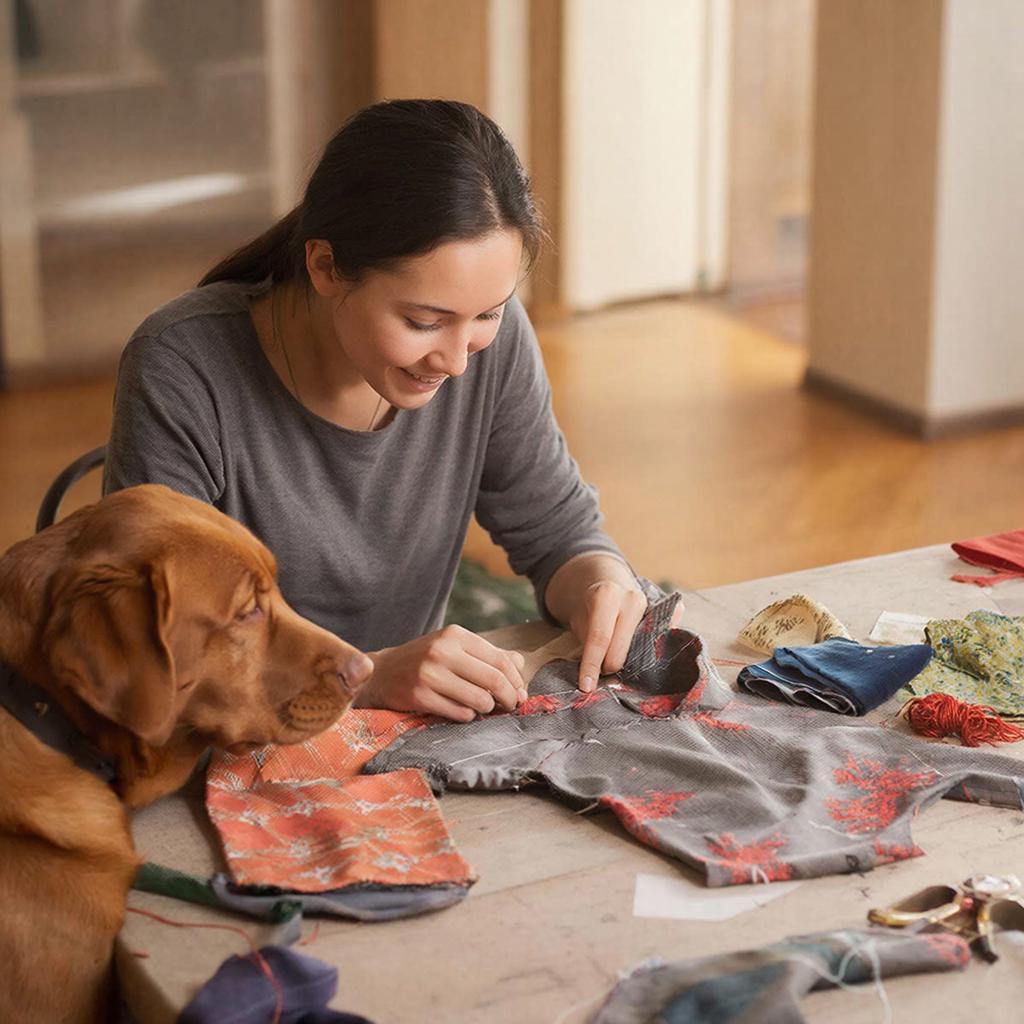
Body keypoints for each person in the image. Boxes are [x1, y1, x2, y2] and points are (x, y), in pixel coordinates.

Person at [105, 98, 659, 723]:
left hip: (402, 730)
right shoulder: (183, 366)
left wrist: (600, 584)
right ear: (325, 267)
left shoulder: (490, 349)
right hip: (227, 733)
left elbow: (559, 533)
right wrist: (367, 676)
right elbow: (157, 649)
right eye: (424, 321)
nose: (456, 361)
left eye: (489, 313)